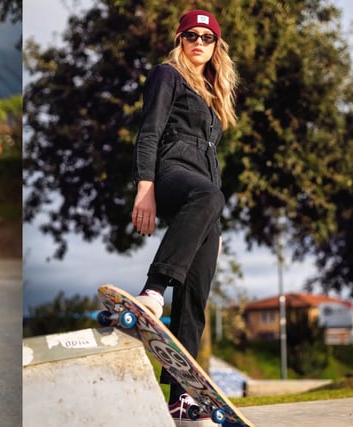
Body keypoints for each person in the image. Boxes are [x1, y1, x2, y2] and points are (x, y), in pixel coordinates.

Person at [128, 8, 238, 422]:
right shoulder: (166, 75)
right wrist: (146, 186)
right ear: (180, 40)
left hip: (206, 196)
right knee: (210, 194)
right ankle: (153, 292)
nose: (198, 43)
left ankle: (181, 398)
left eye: (206, 38)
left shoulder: (213, 93)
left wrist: (215, 223)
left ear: (216, 46)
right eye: (191, 36)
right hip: (172, 170)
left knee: (194, 300)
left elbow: (213, 173)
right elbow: (150, 130)